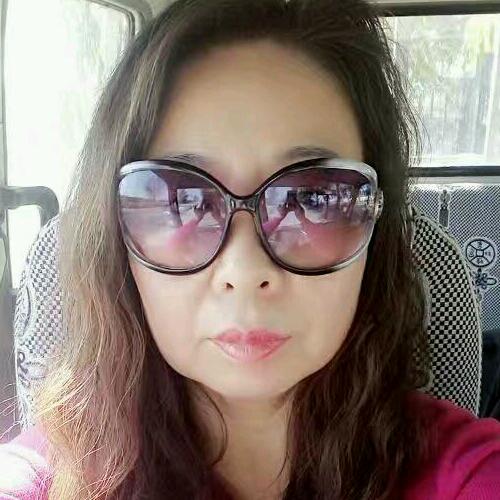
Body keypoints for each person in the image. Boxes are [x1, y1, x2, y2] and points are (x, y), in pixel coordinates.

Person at [1, 0, 500, 498]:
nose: (243, 270)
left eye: (312, 199)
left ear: (375, 230)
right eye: (181, 202)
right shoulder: (56, 476)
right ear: (118, 241)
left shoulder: (467, 473)